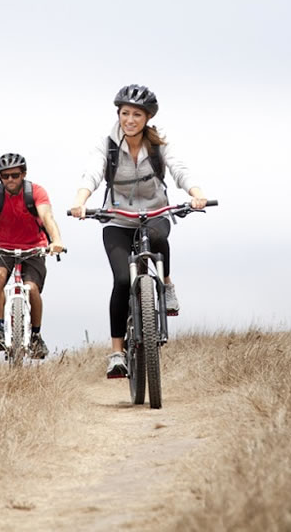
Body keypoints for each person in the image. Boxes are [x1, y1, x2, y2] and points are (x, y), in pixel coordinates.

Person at [69, 84, 208, 378]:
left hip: (154, 213)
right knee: (122, 280)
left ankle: (166, 285)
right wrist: (80, 201)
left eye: (136, 114)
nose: (129, 119)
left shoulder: (157, 146)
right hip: (117, 219)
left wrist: (197, 193)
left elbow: (180, 169)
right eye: (125, 113)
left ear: (147, 118)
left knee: (157, 237)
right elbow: (92, 172)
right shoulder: (106, 146)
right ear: (118, 114)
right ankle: (117, 353)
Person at [0, 153, 65, 359]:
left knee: (31, 289)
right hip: (1, 247)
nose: (10, 180)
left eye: (14, 175)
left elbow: (47, 217)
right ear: (0, 178)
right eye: (5, 176)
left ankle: (36, 336)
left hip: (34, 248)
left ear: (23, 174)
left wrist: (56, 241)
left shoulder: (36, 192)